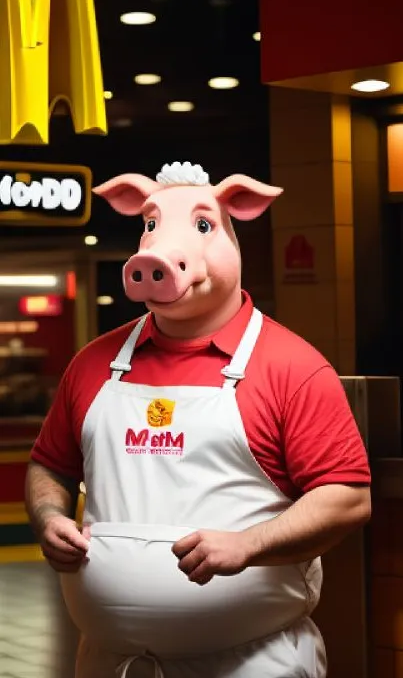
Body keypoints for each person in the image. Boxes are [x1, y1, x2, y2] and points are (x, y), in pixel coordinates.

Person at [25, 162, 371, 678]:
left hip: (252, 661)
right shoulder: (93, 362)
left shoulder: (292, 366)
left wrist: (249, 545)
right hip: (109, 661)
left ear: (234, 227)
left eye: (203, 225)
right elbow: (48, 466)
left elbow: (347, 496)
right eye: (150, 224)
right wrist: (49, 518)